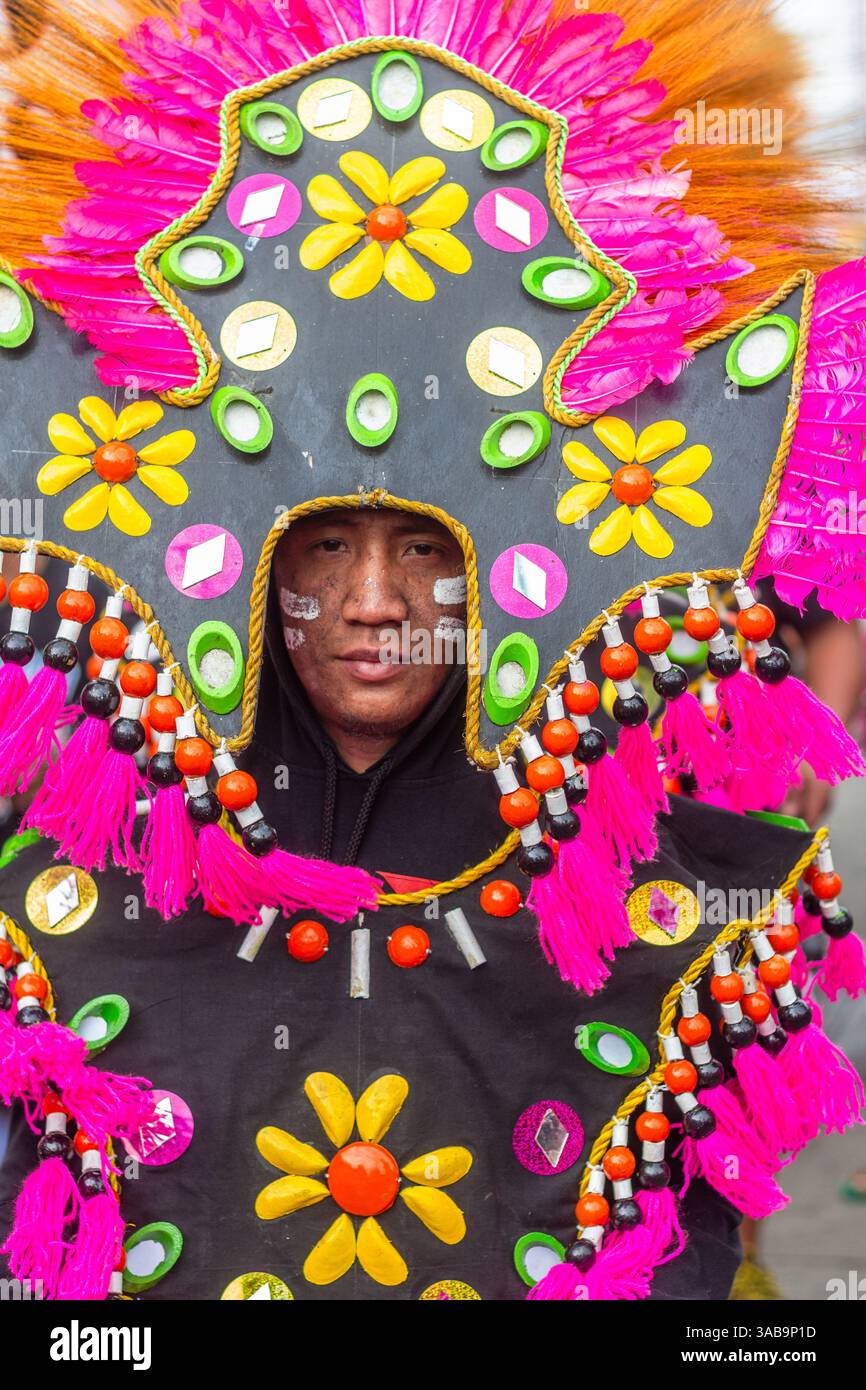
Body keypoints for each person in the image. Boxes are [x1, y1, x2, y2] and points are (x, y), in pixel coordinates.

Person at [1, 0, 865, 1305]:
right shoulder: (68, 908)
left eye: (422, 547)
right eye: (322, 543)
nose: (368, 599)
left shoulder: (663, 920)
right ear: (239, 557)